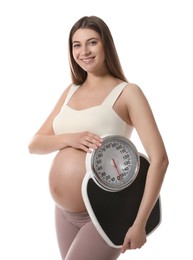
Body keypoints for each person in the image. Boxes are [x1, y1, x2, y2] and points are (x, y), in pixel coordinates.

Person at [28, 15, 169, 260]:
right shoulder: (71, 90)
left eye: (92, 42)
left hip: (107, 211)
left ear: (106, 45)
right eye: (77, 44)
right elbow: (35, 144)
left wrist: (139, 223)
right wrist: (69, 138)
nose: (84, 51)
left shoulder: (127, 93)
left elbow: (159, 160)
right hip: (64, 212)